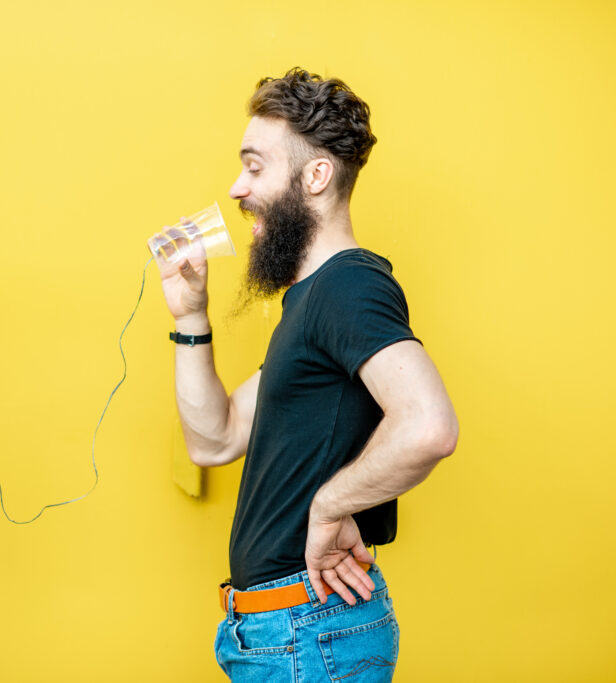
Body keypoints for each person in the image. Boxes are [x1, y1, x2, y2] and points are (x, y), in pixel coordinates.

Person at [156, 68, 458, 681]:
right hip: (288, 633)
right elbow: (213, 439)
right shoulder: (311, 304)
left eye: (255, 167)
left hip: (309, 631)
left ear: (315, 176)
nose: (237, 189)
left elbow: (429, 426)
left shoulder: (348, 284)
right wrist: (191, 316)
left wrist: (329, 505)